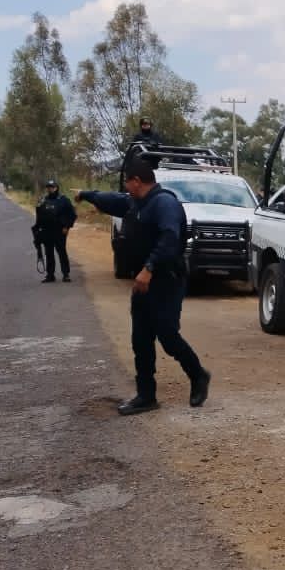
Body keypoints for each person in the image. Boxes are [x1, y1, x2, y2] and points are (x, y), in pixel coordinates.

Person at [76, 158, 211, 416]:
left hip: (165, 280)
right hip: (142, 281)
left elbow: (170, 239)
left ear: (137, 181)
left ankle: (198, 375)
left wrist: (149, 268)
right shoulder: (135, 202)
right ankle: (146, 395)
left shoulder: (164, 204)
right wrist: (86, 195)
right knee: (141, 338)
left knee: (168, 336)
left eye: (127, 182)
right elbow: (112, 200)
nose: (126, 188)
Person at [34, 180, 77, 283]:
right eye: (48, 187)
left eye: (52, 187)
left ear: (56, 188)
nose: (50, 189)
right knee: (49, 253)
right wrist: (37, 229)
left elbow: (72, 215)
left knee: (61, 252)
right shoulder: (43, 200)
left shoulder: (64, 200)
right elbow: (39, 215)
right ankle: (50, 275)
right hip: (46, 231)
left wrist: (67, 226)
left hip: (60, 231)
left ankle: (66, 275)